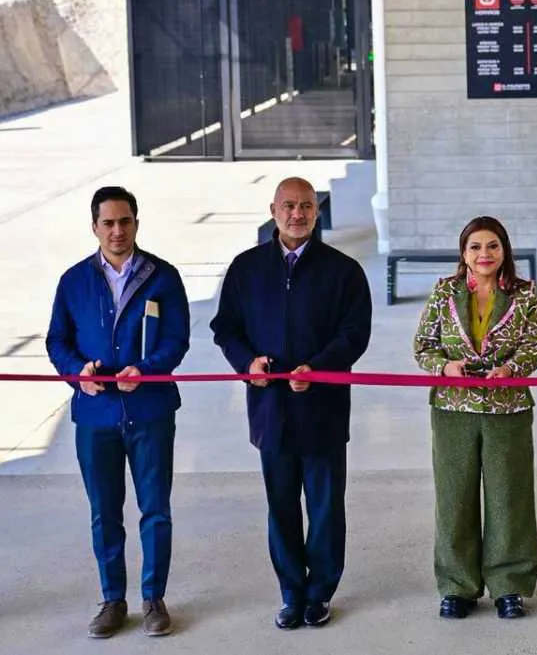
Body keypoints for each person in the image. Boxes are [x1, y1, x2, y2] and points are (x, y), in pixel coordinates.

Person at [210, 177, 371, 630]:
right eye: (288, 206)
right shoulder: (246, 268)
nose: (296, 214)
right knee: (280, 507)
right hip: (270, 411)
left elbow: (355, 333)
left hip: (322, 408)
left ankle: (319, 593)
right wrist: (247, 363)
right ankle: (290, 593)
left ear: (317, 213)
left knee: (324, 508)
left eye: (305, 206)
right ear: (273, 209)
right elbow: (225, 327)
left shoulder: (344, 271)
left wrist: (318, 368)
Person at [46, 186, 190, 638]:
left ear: (136, 224)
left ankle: (153, 599)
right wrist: (77, 373)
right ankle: (113, 600)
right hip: (96, 417)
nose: (117, 230)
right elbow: (57, 341)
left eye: (124, 221)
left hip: (149, 412)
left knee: (155, 509)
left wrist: (147, 370)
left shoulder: (163, 278)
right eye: (107, 223)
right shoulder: (73, 282)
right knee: (104, 512)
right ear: (94, 227)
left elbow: (177, 339)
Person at [413, 216, 537, 621]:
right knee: (454, 498)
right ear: (464, 253)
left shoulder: (524, 295)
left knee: (509, 497)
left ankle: (509, 585)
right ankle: (458, 586)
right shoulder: (444, 292)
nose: (484, 254)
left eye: (492, 246)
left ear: (504, 250)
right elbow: (423, 347)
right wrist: (444, 367)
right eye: (475, 247)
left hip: (507, 410)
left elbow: (536, 346)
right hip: (453, 410)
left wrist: (512, 370)